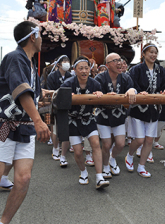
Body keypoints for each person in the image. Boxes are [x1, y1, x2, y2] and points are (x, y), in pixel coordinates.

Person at [0, 21, 50, 224]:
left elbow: (32, 92)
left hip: (25, 128)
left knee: (23, 179)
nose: (42, 40)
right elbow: (21, 90)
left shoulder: (30, 63)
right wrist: (39, 120)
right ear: (32, 36)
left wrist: (44, 94)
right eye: (41, 35)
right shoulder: (15, 57)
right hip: (6, 126)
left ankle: (3, 221)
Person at [62, 56, 109, 189]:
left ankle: (99, 177)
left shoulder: (95, 84)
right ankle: (83, 172)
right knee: (77, 151)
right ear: (75, 70)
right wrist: (66, 97)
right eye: (80, 68)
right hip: (73, 119)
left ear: (90, 69)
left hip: (88, 118)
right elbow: (59, 100)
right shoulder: (68, 83)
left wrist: (100, 95)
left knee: (95, 143)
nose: (84, 71)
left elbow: (101, 101)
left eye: (86, 68)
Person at [125, 43, 165, 178]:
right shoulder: (136, 69)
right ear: (143, 54)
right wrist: (138, 91)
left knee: (149, 140)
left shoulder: (160, 70)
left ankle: (142, 166)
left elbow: (164, 84)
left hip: (154, 109)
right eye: (151, 52)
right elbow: (131, 84)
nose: (154, 55)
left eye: (155, 52)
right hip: (139, 108)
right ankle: (130, 155)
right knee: (139, 139)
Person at [95, 53, 136, 179]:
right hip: (103, 115)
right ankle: (106, 166)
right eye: (115, 61)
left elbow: (132, 89)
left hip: (119, 115)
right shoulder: (99, 77)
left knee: (120, 144)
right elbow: (94, 90)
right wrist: (100, 93)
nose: (119, 63)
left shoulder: (125, 78)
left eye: (120, 60)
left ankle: (112, 158)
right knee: (106, 144)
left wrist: (131, 90)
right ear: (107, 65)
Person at [47, 55, 72, 167]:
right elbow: (49, 90)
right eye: (64, 61)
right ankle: (55, 148)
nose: (67, 63)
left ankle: (63, 154)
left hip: (67, 105)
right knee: (55, 128)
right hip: (55, 104)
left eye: (68, 61)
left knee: (66, 129)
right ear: (58, 64)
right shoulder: (52, 76)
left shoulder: (70, 76)